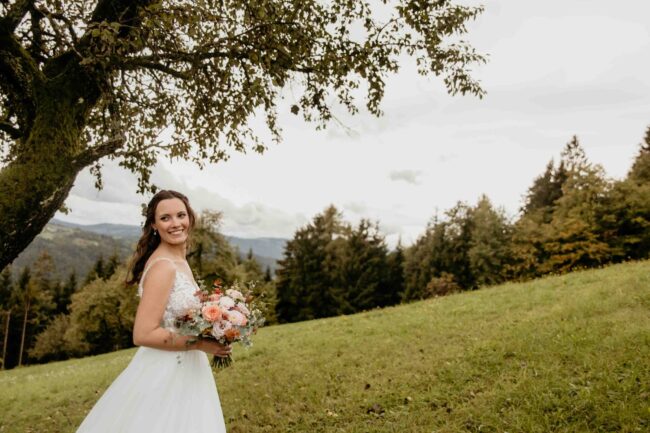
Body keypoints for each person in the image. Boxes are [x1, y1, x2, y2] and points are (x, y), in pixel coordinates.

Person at [77, 190, 229, 432]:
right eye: (165, 218)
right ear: (154, 225)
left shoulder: (179, 260)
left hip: (187, 367)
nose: (175, 223)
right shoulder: (164, 267)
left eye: (181, 215)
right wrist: (200, 343)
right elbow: (143, 334)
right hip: (166, 370)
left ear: (190, 217)